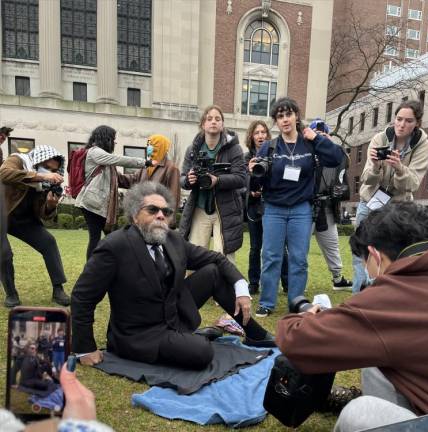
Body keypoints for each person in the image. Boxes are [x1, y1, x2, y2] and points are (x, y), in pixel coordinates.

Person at [71, 182, 275, 370]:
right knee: (202, 352)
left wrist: (241, 287)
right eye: (152, 210)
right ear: (134, 215)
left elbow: (216, 259)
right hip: (140, 334)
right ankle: (192, 339)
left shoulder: (172, 239)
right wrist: (85, 348)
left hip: (173, 316)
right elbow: (83, 296)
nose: (161, 215)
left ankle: (255, 335)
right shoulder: (114, 246)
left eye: (166, 211)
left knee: (213, 271)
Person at [276, 202, 428, 432]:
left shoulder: (392, 296)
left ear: (374, 256)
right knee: (376, 363)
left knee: (359, 414)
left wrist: (306, 316)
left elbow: (294, 340)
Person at [249, 97, 343, 317]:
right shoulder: (269, 147)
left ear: (296, 116)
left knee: (299, 258)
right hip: (273, 208)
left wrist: (317, 139)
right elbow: (256, 184)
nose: (285, 119)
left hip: (301, 208)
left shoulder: (309, 142)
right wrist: (252, 172)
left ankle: (297, 302)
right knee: (271, 256)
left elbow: (337, 158)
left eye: (288, 114)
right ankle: (267, 302)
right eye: (280, 116)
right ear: (276, 121)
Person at [352, 100, 428, 293]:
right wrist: (376, 166)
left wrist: (398, 167)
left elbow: (412, 184)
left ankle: (386, 298)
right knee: (361, 255)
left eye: (408, 121)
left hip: (397, 210)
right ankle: (358, 298)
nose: (402, 124)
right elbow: (366, 180)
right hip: (370, 203)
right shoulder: (380, 138)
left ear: (417, 124)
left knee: (394, 257)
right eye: (398, 119)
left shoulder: (423, 146)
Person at [0, 145, 70, 307]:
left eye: (53, 170)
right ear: (38, 160)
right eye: (46, 167)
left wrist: (51, 205)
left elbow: (43, 214)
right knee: (4, 253)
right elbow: (3, 174)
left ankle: (58, 289)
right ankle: (11, 293)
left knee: (48, 242)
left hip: (22, 220)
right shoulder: (18, 160)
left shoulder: (45, 185)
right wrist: (40, 176)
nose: (49, 172)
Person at [179, 105, 246, 263]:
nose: (213, 122)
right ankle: (194, 287)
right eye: (209, 119)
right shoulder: (192, 149)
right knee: (195, 253)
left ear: (222, 124)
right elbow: (182, 179)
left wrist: (218, 180)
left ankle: (224, 287)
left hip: (225, 209)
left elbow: (241, 178)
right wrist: (189, 180)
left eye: (217, 119)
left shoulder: (234, 149)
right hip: (200, 208)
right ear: (203, 124)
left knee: (224, 256)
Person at [74, 125, 149, 260]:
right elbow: (119, 159)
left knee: (111, 237)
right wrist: (144, 162)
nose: (115, 142)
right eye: (113, 139)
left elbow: (118, 178)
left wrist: (142, 177)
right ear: (106, 138)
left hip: (97, 204)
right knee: (97, 238)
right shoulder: (95, 152)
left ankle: (107, 266)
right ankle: (92, 271)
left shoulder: (104, 159)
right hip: (92, 204)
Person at [1, 356, 115, 431]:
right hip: (28, 382)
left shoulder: (35, 358)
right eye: (31, 347)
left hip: (35, 381)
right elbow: (16, 370)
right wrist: (79, 425)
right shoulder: (22, 359)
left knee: (51, 385)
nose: (33, 349)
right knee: (48, 386)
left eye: (33, 347)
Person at [244, 120, 288, 295]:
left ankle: (286, 281)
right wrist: (251, 186)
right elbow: (242, 183)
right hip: (254, 208)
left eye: (263, 132)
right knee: (255, 247)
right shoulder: (246, 158)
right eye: (257, 133)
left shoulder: (276, 154)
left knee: (280, 247)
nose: (261, 136)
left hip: (273, 206)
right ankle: (253, 282)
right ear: (251, 136)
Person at [309, 118, 352, 291]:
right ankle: (290, 281)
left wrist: (325, 144)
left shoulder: (334, 153)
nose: (320, 136)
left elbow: (345, 160)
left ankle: (337, 278)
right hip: (307, 205)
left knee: (332, 244)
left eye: (323, 133)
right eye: (316, 133)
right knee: (299, 246)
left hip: (327, 206)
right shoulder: (306, 152)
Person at [126, 134, 180, 228]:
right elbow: (132, 180)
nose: (150, 148)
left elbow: (173, 197)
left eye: (155, 145)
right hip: (142, 216)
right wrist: (113, 173)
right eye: (149, 144)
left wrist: (169, 221)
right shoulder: (146, 166)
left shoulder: (171, 168)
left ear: (163, 147)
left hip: (159, 218)